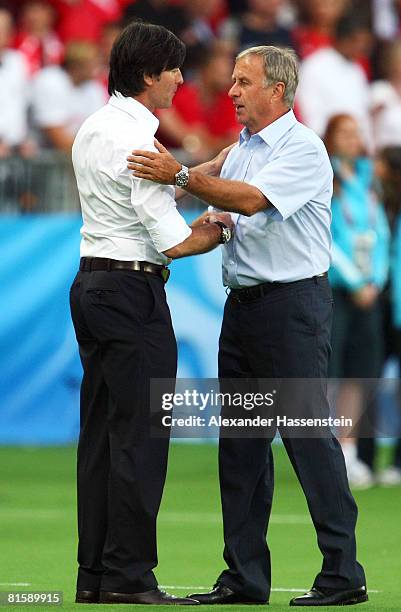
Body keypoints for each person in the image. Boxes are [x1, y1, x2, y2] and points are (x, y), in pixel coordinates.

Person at [127, 44, 368, 607]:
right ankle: (243, 577)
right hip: (247, 311)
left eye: (242, 82)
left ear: (277, 91)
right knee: (240, 447)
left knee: (308, 438)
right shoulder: (243, 149)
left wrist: (183, 172)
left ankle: (343, 572)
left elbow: (253, 201)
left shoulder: (304, 148)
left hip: (293, 310)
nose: (230, 91)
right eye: (233, 81)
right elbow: (224, 206)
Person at [70, 21, 233, 606]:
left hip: (92, 284)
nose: (181, 79)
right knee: (141, 438)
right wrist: (214, 230)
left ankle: (95, 574)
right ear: (148, 75)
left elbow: (135, 202)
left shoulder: (96, 126)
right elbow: (170, 240)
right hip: (132, 293)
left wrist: (197, 173)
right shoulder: (141, 140)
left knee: (102, 438)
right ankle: (130, 577)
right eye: (173, 69)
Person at [324, 114, 390, 489]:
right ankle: (326, 447)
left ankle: (348, 449)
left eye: (356, 132)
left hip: (368, 290)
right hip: (336, 289)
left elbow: (378, 232)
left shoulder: (368, 181)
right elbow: (326, 237)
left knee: (359, 372)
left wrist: (375, 280)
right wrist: (354, 280)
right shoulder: (326, 179)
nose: (353, 139)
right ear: (331, 139)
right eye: (345, 133)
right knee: (330, 373)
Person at [296, 12, 373, 148]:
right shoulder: (315, 65)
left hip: (355, 149)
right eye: (358, 41)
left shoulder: (357, 70)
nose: (362, 48)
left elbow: (362, 114)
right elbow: (310, 114)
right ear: (343, 39)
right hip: (325, 147)